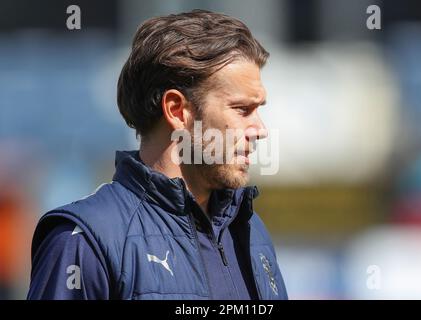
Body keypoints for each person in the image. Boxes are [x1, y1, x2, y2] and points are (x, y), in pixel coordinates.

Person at [27, 9, 288, 300]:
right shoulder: (85, 240)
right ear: (178, 110)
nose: (260, 129)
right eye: (242, 110)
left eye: (258, 109)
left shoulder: (251, 230)